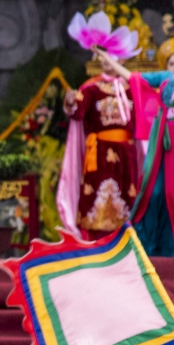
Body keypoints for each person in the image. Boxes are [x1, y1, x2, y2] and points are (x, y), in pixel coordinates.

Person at [96, 32, 174, 257]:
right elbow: (134, 78)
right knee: (153, 192)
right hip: (159, 138)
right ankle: (149, 245)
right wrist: (111, 60)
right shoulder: (167, 78)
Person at [58, 51, 140, 240]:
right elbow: (77, 114)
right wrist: (70, 103)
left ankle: (127, 240)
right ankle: (93, 239)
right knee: (95, 195)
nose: (105, 61)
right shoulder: (90, 88)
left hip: (126, 153)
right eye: (102, 57)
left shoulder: (132, 88)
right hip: (100, 152)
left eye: (111, 57)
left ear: (123, 60)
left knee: (129, 194)